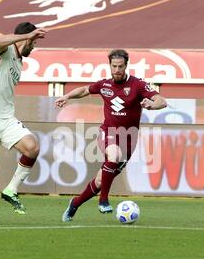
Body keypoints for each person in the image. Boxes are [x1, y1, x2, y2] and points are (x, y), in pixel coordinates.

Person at [55, 49, 168, 222]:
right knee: (113, 154)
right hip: (108, 132)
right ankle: (103, 200)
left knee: (100, 181)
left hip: (129, 139)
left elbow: (162, 101)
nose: (117, 70)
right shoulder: (104, 85)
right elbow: (85, 90)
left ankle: (75, 204)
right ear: (109, 66)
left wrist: (152, 105)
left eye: (120, 66)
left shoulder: (137, 85)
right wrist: (67, 95)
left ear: (126, 66)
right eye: (114, 66)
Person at [0, 22, 47, 225]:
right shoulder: (4, 51)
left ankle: (11, 190)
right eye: (34, 43)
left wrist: (27, 38)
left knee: (32, 147)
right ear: (27, 39)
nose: (34, 48)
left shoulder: (19, 61)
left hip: (6, 117)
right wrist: (26, 36)